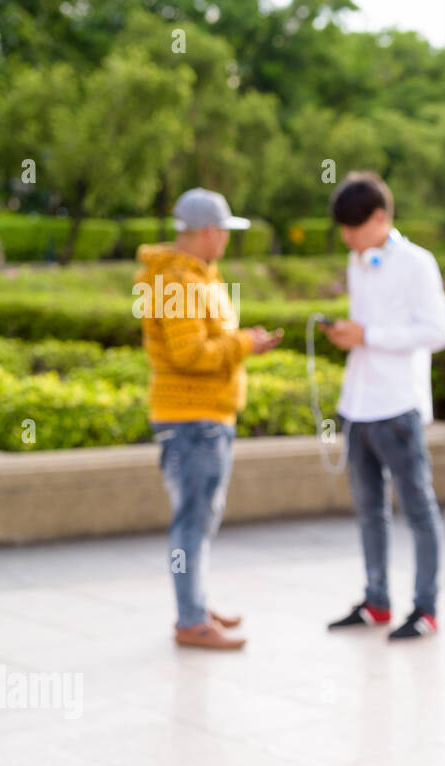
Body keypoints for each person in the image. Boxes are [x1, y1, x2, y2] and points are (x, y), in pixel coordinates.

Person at [137, 188, 281, 650]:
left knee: (198, 520)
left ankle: (194, 606)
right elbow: (189, 353)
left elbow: (204, 340)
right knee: (192, 522)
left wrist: (239, 341)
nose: (225, 241)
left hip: (202, 416)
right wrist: (245, 345)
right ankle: (190, 619)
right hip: (192, 420)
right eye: (223, 232)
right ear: (207, 232)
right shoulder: (179, 280)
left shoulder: (195, 276)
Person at [323, 171, 445, 640]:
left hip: (398, 406)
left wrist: (371, 336)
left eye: (353, 227)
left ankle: (426, 608)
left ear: (379, 218)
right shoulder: (358, 263)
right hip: (359, 404)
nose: (347, 237)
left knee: (418, 509)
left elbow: (439, 332)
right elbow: (369, 328)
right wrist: (352, 335)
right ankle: (377, 600)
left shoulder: (418, 263)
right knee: (368, 510)